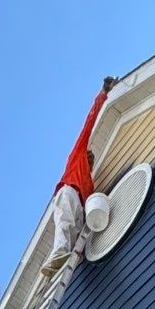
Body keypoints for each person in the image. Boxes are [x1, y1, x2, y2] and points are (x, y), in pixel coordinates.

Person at [42, 76, 118, 275]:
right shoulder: (77, 156)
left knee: (75, 236)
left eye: (91, 159)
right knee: (64, 223)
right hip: (68, 192)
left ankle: (66, 262)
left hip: (80, 206)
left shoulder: (90, 185)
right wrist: (103, 94)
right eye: (89, 156)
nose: (90, 160)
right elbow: (88, 124)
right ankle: (58, 253)